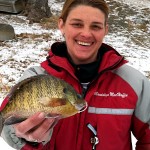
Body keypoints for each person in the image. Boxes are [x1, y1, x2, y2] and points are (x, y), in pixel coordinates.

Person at [1, 0, 150, 150]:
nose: (86, 33)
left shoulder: (134, 83)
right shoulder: (36, 76)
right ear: (61, 25)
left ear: (105, 30)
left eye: (96, 26)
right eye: (77, 24)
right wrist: (28, 139)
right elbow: (7, 126)